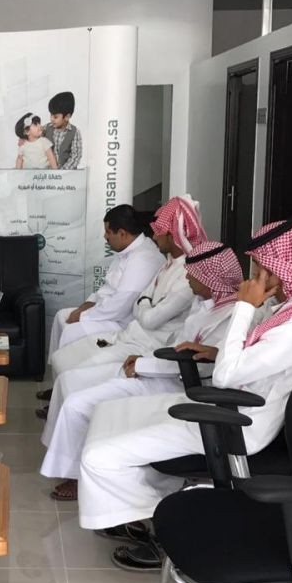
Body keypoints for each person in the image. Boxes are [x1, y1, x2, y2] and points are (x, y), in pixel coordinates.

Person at [77, 219, 292, 570]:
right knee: (108, 414)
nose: (255, 278)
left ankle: (160, 532)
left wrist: (244, 307)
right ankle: (162, 505)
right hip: (231, 404)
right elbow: (252, 358)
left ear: (285, 269)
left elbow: (225, 376)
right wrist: (217, 352)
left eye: (262, 269)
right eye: (256, 268)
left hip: (240, 422)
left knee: (99, 456)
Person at [41, 241, 244, 502]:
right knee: (78, 395)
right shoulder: (204, 304)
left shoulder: (232, 316)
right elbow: (175, 342)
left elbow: (200, 363)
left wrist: (144, 365)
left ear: (209, 278)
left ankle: (79, 476)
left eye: (193, 274)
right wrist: (145, 362)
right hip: (160, 366)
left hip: (181, 385)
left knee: (80, 404)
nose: (188, 278)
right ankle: (72, 468)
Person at [47, 195, 205, 378]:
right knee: (62, 354)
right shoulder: (167, 263)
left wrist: (85, 315)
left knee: (73, 358)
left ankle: (65, 383)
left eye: (158, 231)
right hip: (132, 332)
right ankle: (59, 383)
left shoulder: (183, 273)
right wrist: (87, 308)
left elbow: (143, 314)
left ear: (173, 235)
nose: (154, 236)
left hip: (143, 339)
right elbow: (136, 302)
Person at [46, 205, 164, 368]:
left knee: (71, 330)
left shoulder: (143, 258)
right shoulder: (126, 251)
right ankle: (56, 370)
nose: (105, 236)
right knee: (61, 316)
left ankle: (68, 372)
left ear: (122, 233)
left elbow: (120, 305)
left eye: (108, 232)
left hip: (122, 321)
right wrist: (86, 305)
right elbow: (107, 288)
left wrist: (83, 316)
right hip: (107, 311)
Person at [43, 91, 81, 169]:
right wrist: (24, 138)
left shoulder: (74, 132)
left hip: (66, 173)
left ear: (67, 117)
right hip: (48, 173)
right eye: (51, 115)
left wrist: (62, 172)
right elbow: (34, 136)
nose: (51, 119)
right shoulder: (46, 128)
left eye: (55, 117)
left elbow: (76, 156)